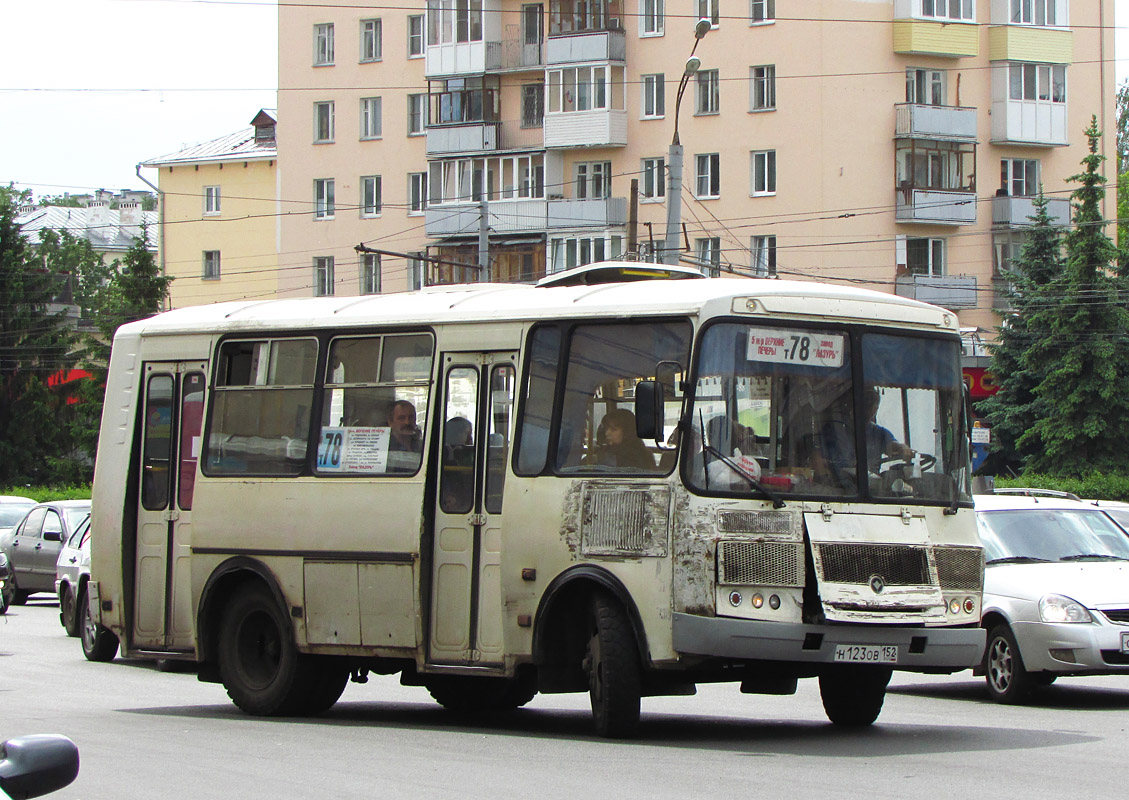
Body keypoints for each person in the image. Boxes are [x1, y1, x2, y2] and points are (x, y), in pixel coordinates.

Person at [386, 400, 422, 472]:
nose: (407, 422)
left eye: (411, 417)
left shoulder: (421, 445)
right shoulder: (386, 448)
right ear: (390, 422)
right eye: (401, 418)